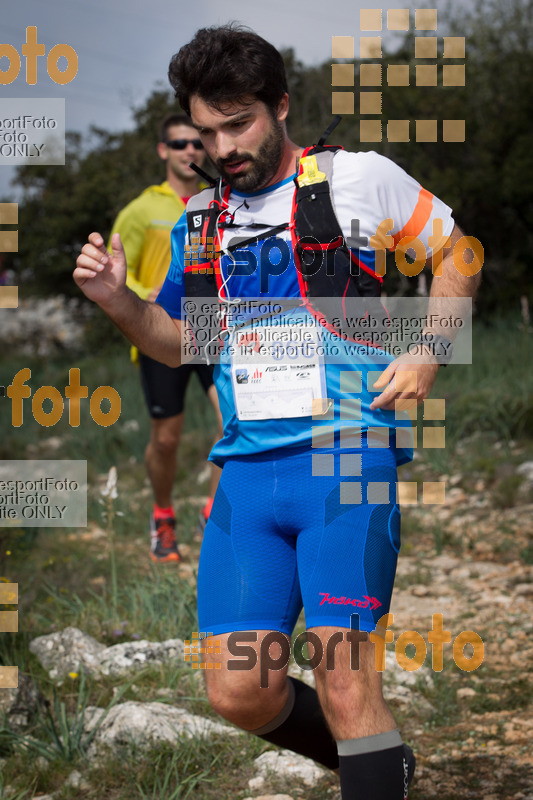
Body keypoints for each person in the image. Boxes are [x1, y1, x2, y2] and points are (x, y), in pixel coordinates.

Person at [74, 25, 481, 800]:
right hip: (246, 479)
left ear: (280, 106)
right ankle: (381, 768)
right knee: (239, 692)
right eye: (208, 131)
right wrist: (116, 301)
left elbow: (456, 252)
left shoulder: (355, 178)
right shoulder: (198, 223)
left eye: (240, 123)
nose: (223, 146)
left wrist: (430, 348)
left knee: (343, 679)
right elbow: (179, 345)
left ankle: (371, 769)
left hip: (343, 460)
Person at [108, 114, 223, 563]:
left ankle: (214, 514)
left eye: (198, 142)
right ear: (163, 150)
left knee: (234, 422)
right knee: (167, 439)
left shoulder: (220, 201)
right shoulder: (141, 209)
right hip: (160, 333)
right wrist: (144, 297)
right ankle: (162, 516)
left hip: (212, 328)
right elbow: (119, 271)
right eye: (179, 144)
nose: (190, 151)